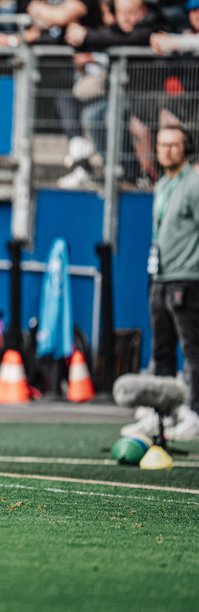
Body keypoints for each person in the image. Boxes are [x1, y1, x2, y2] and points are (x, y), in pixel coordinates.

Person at [142, 127, 199, 440]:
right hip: (160, 276)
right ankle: (161, 414)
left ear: (185, 148)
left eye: (174, 145)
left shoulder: (194, 184)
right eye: (163, 145)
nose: (167, 150)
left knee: (192, 349)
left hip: (187, 277)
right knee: (161, 349)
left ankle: (195, 412)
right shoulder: (162, 183)